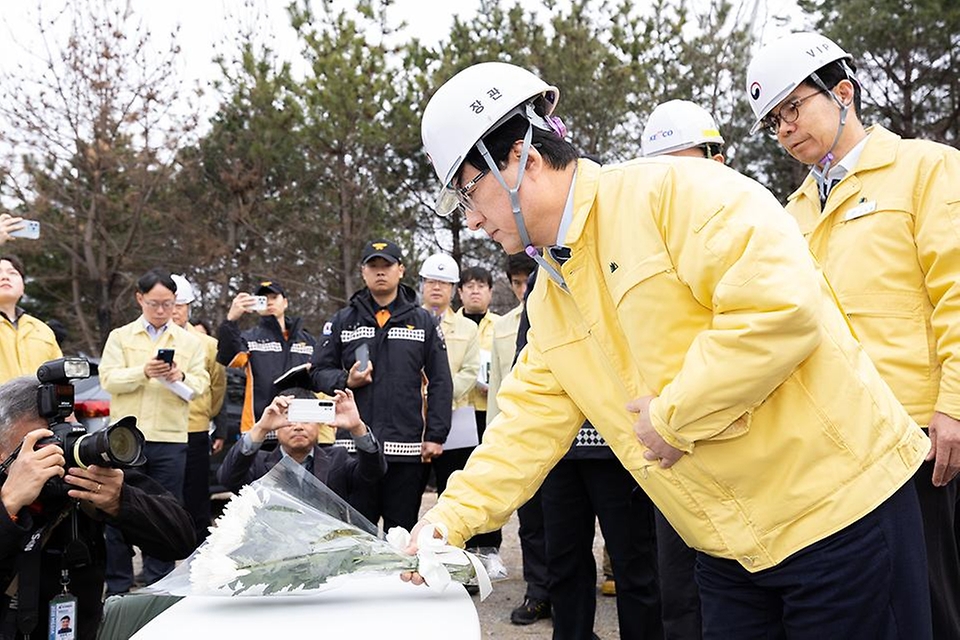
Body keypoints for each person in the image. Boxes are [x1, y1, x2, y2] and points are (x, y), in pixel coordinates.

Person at [404, 61, 934, 639]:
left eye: (469, 195)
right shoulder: (556, 293)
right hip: (730, 550)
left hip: (840, 518)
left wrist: (674, 416)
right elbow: (527, 420)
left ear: (522, 162)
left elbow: (781, 308)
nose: (473, 220)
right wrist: (447, 523)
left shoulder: (678, 194)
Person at [746, 31, 960, 639]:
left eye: (794, 107)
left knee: (933, 599)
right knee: (877, 609)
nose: (785, 129)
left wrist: (954, 405)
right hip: (837, 443)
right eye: (772, 122)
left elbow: (956, 291)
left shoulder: (925, 169)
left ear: (843, 92)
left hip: (918, 431)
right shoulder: (792, 213)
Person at [0, 375, 196, 640]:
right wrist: (9, 502)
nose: (59, 452)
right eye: (44, 443)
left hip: (86, 627)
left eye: (66, 434)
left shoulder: (84, 471)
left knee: (193, 608)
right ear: (3, 451)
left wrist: (121, 501)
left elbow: (181, 541)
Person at [638, 98, 730, 640]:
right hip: (673, 462)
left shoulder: (751, 231)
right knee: (681, 595)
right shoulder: (641, 252)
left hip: (746, 454)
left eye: (686, 161)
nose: (675, 179)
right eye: (661, 166)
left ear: (718, 161)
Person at [309, 239, 453, 532]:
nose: (380, 272)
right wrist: (345, 380)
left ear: (400, 270)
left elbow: (440, 380)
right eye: (373, 266)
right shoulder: (343, 320)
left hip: (406, 450)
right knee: (354, 535)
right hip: (353, 452)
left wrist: (436, 435)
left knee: (401, 535)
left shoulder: (424, 321)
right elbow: (317, 372)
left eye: (386, 265)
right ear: (363, 272)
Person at [98, 268, 209, 594]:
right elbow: (109, 379)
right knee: (115, 508)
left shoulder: (190, 341)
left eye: (168, 304)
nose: (161, 311)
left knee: (162, 512)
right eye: (154, 303)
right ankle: (117, 587)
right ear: (139, 299)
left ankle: (158, 586)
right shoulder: (121, 336)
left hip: (171, 438)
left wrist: (179, 377)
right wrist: (143, 371)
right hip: (125, 440)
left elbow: (202, 385)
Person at [486, 254, 550, 625]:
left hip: (562, 432)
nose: (524, 287)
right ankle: (537, 591)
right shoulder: (504, 325)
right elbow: (500, 382)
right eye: (517, 281)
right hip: (520, 429)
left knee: (566, 525)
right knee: (531, 521)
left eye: (529, 279)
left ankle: (566, 595)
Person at [216, 387, 386, 505]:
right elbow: (228, 478)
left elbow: (373, 472)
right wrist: (261, 428)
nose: (298, 426)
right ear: (276, 428)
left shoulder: (338, 459)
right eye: (289, 420)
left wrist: (357, 428)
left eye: (306, 419)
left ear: (318, 424)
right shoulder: (259, 464)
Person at [217, 280, 321, 440]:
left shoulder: (308, 340)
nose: (270, 302)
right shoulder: (248, 338)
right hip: (261, 426)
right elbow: (229, 359)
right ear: (256, 306)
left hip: (300, 428)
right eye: (263, 299)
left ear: (285, 303)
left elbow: (321, 375)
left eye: (274, 297)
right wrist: (231, 320)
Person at [170, 274, 226, 544]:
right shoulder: (151, 341)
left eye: (180, 305)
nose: (174, 311)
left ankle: (198, 555)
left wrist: (207, 414)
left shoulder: (208, 345)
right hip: (159, 432)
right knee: (163, 497)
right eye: (170, 304)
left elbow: (217, 388)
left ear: (189, 306)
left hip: (195, 429)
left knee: (197, 498)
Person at [0, 255, 62, 383]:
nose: (5, 277)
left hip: (36, 403)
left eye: (12, 273)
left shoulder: (42, 330)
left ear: (23, 287)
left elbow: (58, 378)